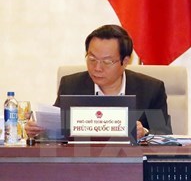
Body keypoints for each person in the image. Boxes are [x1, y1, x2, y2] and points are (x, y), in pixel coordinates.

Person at [26, 24, 172, 139]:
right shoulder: (71, 85)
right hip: (82, 166)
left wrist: (144, 132)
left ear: (125, 61)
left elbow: (164, 135)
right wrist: (38, 130)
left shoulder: (150, 89)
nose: (97, 68)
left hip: (130, 167)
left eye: (107, 61)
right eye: (92, 59)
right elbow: (57, 128)